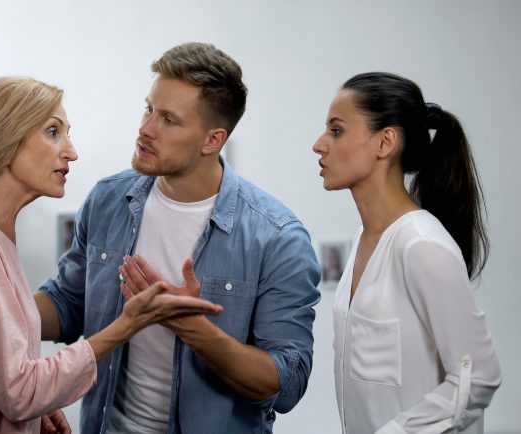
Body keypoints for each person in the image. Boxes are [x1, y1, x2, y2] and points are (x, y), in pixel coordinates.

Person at [0, 76, 223, 434]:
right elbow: (19, 391)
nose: (71, 151)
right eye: (52, 132)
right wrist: (129, 323)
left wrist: (33, 410)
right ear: (5, 139)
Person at [35, 42, 321, 434]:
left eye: (169, 120)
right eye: (149, 109)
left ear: (212, 140)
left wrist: (192, 327)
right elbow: (68, 304)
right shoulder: (108, 200)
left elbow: (287, 385)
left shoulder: (277, 239)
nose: (146, 128)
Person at [312, 72, 502, 433]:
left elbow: (479, 376)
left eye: (336, 131)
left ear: (385, 143)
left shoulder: (421, 245)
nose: (319, 144)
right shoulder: (365, 240)